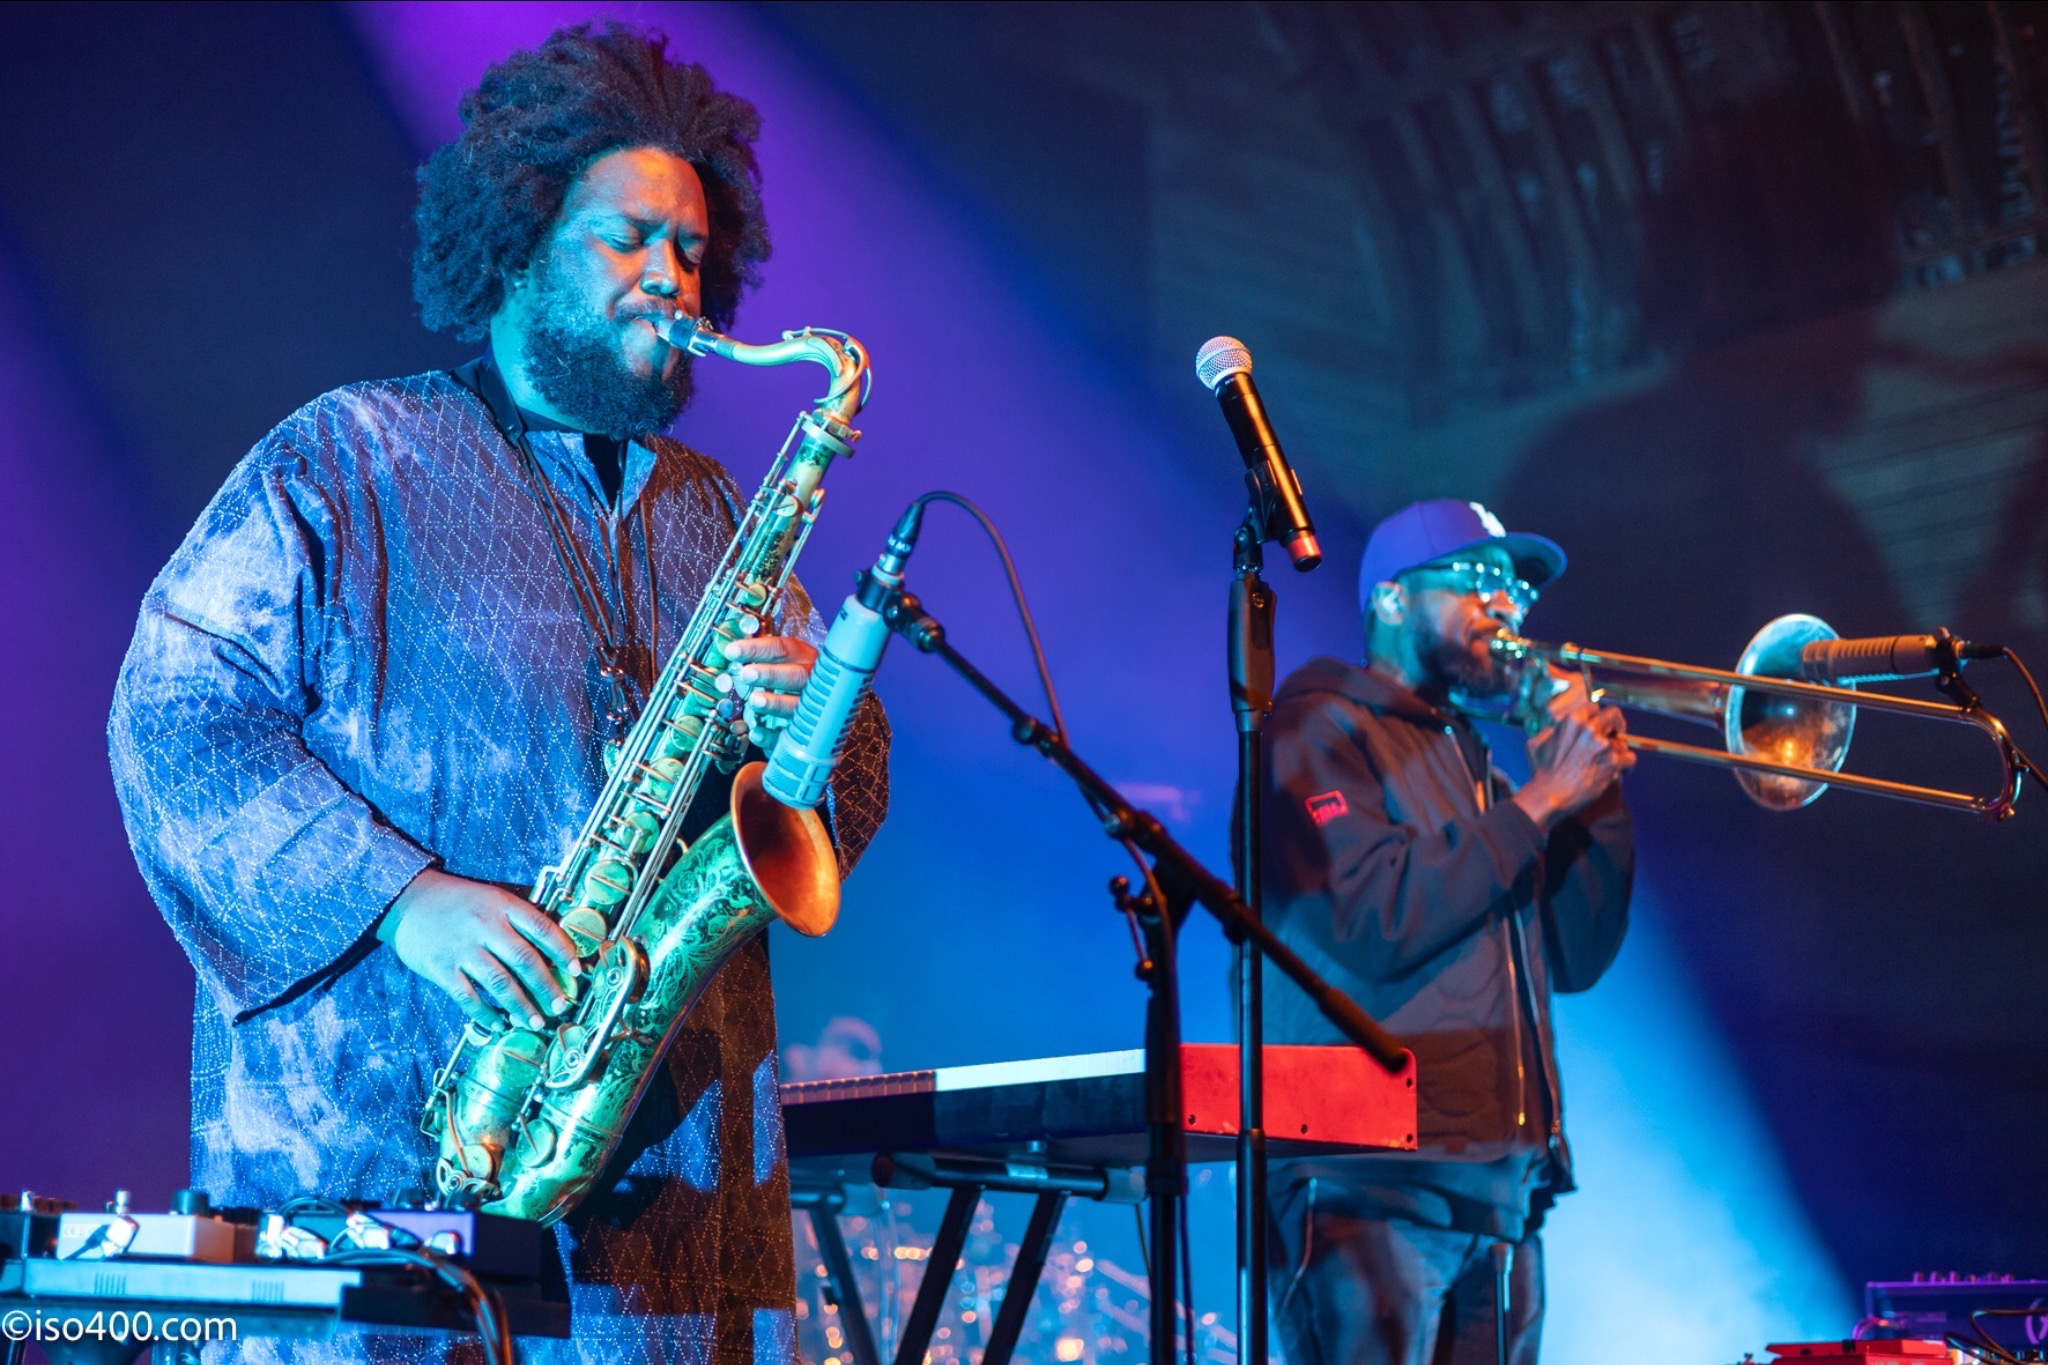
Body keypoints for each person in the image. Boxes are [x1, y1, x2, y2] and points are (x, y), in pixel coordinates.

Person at [107, 24, 888, 1364]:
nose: (670, 278)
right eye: (629, 239)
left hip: (661, 1223)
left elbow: (825, 808)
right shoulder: (344, 458)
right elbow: (178, 721)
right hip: (370, 1181)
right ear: (519, 245)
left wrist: (811, 718)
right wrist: (404, 900)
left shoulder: (717, 510)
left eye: (691, 249)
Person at [1256, 499, 1633, 1365]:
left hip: (1499, 1195)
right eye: (1474, 579)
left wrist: (1592, 793)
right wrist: (1543, 800)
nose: (1504, 604)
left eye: (1514, 589)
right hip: (1364, 1182)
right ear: (1392, 600)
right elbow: (1371, 916)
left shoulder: (1480, 773)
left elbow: (1577, 955)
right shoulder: (1318, 727)